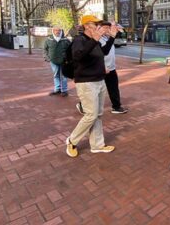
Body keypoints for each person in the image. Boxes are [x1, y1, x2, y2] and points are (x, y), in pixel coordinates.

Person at [65, 15, 118, 158]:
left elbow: (104, 51)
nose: (99, 27)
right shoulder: (79, 40)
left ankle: (97, 145)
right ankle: (71, 140)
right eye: (96, 24)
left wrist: (112, 37)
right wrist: (94, 39)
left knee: (98, 115)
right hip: (86, 83)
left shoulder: (94, 41)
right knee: (91, 114)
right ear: (87, 26)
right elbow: (78, 56)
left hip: (99, 81)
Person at [75, 21, 128, 115]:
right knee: (95, 91)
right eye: (105, 28)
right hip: (100, 69)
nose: (107, 30)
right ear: (99, 28)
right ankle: (83, 105)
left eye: (108, 28)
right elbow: (96, 55)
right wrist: (103, 67)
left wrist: (114, 29)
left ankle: (116, 107)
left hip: (111, 68)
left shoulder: (108, 37)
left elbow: (121, 31)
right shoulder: (96, 39)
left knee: (114, 88)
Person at [44, 26, 71, 97]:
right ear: (53, 31)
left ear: (61, 31)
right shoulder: (48, 39)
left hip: (63, 61)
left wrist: (68, 59)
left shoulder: (66, 40)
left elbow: (70, 50)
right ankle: (57, 89)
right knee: (56, 75)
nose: (57, 32)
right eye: (56, 30)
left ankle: (64, 90)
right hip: (53, 61)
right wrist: (47, 58)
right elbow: (45, 49)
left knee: (64, 76)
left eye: (59, 30)